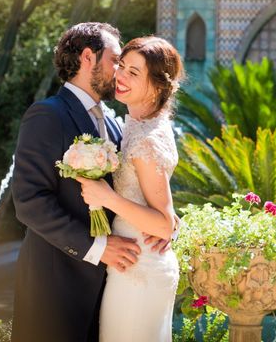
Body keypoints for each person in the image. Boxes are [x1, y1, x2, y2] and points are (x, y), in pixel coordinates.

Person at [11, 23, 170, 342]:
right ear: (88, 57)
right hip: (56, 291)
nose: (120, 72)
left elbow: (137, 183)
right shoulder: (47, 115)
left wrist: (161, 222)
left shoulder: (113, 120)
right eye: (115, 61)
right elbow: (30, 203)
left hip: (113, 287)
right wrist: (97, 248)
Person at [75, 36, 183, 342]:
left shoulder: (146, 138)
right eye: (121, 65)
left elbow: (162, 224)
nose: (120, 76)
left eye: (134, 72)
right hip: (135, 261)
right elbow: (166, 214)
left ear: (158, 86)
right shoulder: (139, 125)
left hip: (141, 269)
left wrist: (106, 197)